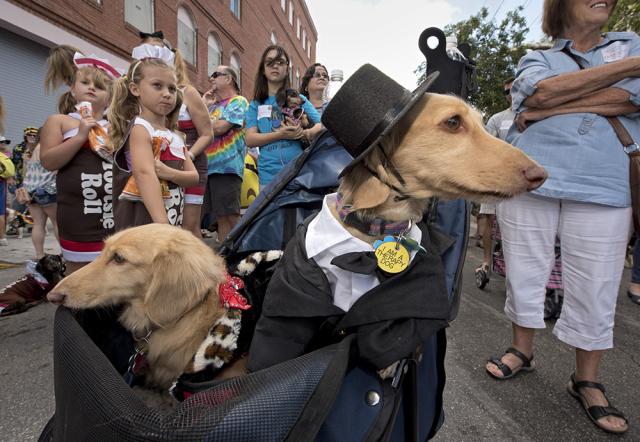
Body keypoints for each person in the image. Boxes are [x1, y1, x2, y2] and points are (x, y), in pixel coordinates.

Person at [485, 0, 639, 434]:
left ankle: (586, 378)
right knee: (524, 270)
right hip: (530, 176)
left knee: (598, 282)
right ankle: (522, 350)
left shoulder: (632, 43)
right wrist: (625, 75)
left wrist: (550, 105)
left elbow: (634, 100)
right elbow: (536, 95)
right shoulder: (537, 57)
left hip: (604, 183)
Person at [40, 46, 119, 273]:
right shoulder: (60, 121)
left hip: (111, 212)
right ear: (72, 89)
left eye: (101, 86)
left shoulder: (115, 126)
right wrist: (81, 136)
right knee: (79, 274)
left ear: (109, 98)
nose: (93, 88)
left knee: (112, 269)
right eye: (85, 83)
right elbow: (49, 161)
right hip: (77, 212)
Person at [109, 57, 198, 229]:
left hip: (171, 222)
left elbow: (193, 177)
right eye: (157, 85)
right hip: (146, 226)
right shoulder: (141, 128)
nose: (166, 93)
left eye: (172, 89)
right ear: (135, 89)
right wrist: (163, 226)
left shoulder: (176, 136)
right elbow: (144, 174)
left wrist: (168, 172)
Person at [245, 45, 322, 188]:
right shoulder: (256, 104)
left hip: (297, 173)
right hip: (268, 177)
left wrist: (305, 133)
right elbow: (250, 139)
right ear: (263, 69)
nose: (275, 66)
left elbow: (321, 124)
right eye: (270, 62)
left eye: (280, 62)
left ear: (287, 69)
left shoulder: (297, 98)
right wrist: (280, 135)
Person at [475, 77, 515, 288]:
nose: (510, 94)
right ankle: (486, 262)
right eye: (506, 92)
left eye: (513, 89)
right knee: (489, 219)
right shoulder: (498, 119)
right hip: (497, 179)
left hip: (522, 183)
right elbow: (486, 147)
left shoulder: (537, 117)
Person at [204, 66, 248, 242]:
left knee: (230, 216)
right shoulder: (213, 106)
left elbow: (221, 127)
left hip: (227, 168)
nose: (211, 78)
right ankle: (225, 257)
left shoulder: (238, 101)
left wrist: (206, 124)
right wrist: (204, 105)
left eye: (215, 75)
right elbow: (200, 128)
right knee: (221, 217)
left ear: (229, 78)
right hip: (209, 168)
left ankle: (239, 254)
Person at [21, 137, 59, 259]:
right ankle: (65, 252)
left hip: (31, 191)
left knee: (38, 224)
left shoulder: (33, 152)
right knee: (57, 223)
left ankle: (39, 255)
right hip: (48, 190)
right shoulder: (50, 147)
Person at [9, 127, 39, 213]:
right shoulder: (18, 148)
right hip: (20, 180)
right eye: (29, 135)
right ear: (25, 136)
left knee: (34, 206)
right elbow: (12, 164)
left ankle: (32, 223)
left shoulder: (40, 148)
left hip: (35, 181)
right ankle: (17, 222)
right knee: (19, 203)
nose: (32, 137)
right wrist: (10, 177)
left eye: (34, 135)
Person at [0, 136, 13, 246]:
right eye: (2, 142)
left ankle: (2, 236)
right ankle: (2, 237)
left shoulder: (7, 154)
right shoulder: (6, 155)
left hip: (3, 183)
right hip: (2, 182)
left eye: (5, 142)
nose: (4, 144)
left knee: (3, 210)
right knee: (2, 210)